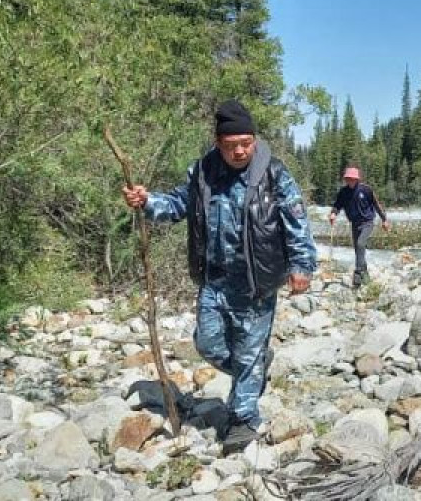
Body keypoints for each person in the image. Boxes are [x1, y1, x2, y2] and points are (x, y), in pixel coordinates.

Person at [121, 100, 317, 455]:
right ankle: (254, 368)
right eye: (231, 145)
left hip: (257, 281)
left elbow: (296, 222)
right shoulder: (202, 172)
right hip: (214, 280)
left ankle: (242, 420)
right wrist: (147, 201)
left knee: (247, 350)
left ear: (254, 140)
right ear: (217, 142)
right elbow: (178, 205)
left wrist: (302, 266)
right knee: (208, 345)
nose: (240, 151)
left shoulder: (273, 173)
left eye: (246, 142)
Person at [329, 167, 390, 288]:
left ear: (356, 179)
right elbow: (337, 205)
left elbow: (377, 205)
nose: (350, 181)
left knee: (361, 244)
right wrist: (333, 213)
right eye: (348, 179)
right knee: (358, 251)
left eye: (352, 179)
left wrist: (384, 219)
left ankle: (357, 275)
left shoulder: (366, 190)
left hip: (367, 222)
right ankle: (366, 278)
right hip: (355, 224)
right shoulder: (343, 192)